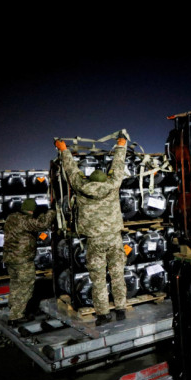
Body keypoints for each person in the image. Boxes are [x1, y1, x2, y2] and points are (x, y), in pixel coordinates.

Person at [55, 135, 129, 326]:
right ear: (105, 179)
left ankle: (103, 314)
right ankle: (121, 309)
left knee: (98, 279)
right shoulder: (112, 186)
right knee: (117, 274)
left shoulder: (81, 187)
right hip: (114, 238)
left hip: (95, 241)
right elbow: (118, 166)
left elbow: (71, 171)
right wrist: (121, 145)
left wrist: (63, 149)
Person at [3, 198, 56, 326]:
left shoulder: (12, 217)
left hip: (10, 258)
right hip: (22, 260)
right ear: (32, 210)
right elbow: (42, 225)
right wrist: (51, 212)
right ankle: (16, 316)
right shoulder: (25, 221)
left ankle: (13, 309)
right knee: (26, 287)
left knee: (16, 285)